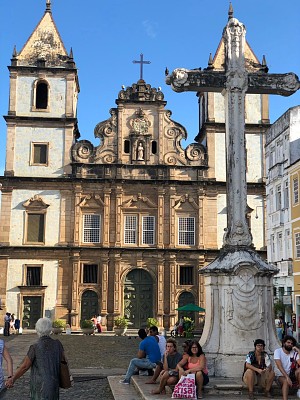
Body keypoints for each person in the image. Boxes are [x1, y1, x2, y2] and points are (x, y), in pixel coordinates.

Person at [5, 317, 68, 399]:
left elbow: (24, 366)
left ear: (37, 329)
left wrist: (12, 379)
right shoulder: (58, 344)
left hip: (39, 386)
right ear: (50, 329)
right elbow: (63, 361)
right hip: (53, 384)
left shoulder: (35, 347)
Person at [273, 335, 300, 400]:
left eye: (291, 343)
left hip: (291, 374)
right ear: (284, 343)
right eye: (288, 342)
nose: (290, 344)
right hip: (280, 375)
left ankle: (299, 390)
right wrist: (287, 377)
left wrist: (298, 350)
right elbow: (279, 366)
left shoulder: (294, 353)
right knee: (285, 381)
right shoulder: (278, 351)